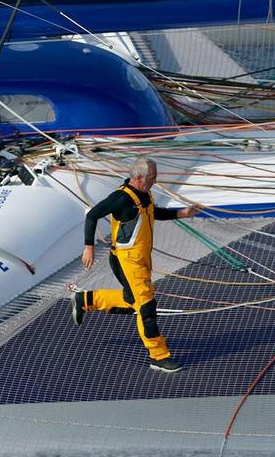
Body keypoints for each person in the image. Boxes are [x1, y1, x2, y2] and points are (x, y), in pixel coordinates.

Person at [71, 156, 201, 373]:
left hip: (141, 260)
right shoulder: (121, 198)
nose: (155, 181)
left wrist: (182, 213)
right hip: (126, 261)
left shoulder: (145, 194)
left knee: (132, 300)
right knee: (146, 307)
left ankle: (86, 300)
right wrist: (88, 247)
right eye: (152, 178)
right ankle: (158, 355)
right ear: (140, 177)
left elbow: (154, 213)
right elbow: (93, 215)